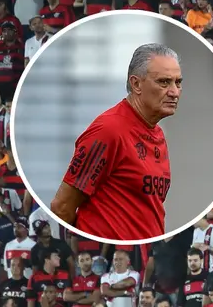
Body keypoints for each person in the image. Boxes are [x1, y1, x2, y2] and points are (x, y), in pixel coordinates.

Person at [49, 44, 182, 241]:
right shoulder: (109, 130)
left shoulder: (157, 133)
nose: (174, 92)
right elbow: (62, 207)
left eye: (178, 83)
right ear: (136, 84)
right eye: (164, 82)